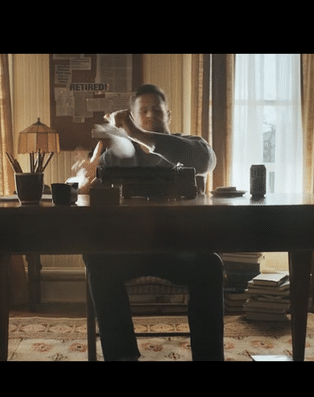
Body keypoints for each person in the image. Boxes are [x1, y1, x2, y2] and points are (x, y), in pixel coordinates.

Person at [78, 84, 225, 361]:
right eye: (142, 111)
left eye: (156, 110)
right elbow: (86, 189)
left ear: (168, 115)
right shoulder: (119, 154)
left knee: (210, 264)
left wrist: (136, 133)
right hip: (128, 251)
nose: (149, 115)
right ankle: (122, 357)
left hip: (180, 250)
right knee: (95, 258)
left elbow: (207, 161)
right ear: (131, 117)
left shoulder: (189, 146)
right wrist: (90, 170)